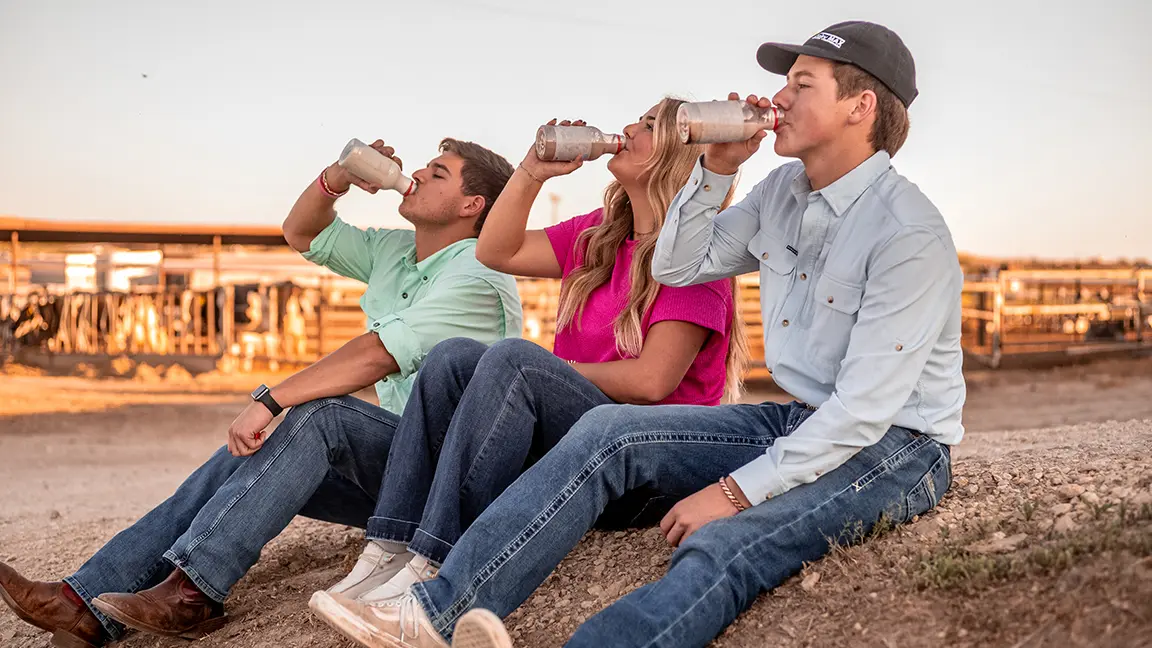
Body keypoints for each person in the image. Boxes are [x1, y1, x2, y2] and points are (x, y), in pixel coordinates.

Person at [304, 20, 965, 648]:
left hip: (895, 444)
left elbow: (865, 411)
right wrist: (719, 171)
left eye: (802, 83)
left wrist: (735, 491)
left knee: (722, 545)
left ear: (861, 107)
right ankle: (436, 610)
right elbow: (681, 263)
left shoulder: (906, 232)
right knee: (605, 431)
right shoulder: (786, 191)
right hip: (800, 418)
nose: (779, 97)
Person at [0, 138, 523, 647]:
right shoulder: (396, 251)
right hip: (391, 471)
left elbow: (378, 353)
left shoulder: (480, 272)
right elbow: (301, 232)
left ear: (471, 204)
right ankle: (82, 604)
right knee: (243, 457)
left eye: (438, 173)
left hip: (444, 479)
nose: (419, 175)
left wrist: (272, 397)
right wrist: (337, 178)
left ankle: (193, 593)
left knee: (324, 415)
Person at [308, 97, 749, 633]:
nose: (629, 126)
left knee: (515, 360)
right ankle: (391, 550)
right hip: (578, 439)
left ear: (682, 151)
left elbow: (652, 381)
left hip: (644, 465)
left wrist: (550, 375)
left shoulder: (700, 255)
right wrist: (532, 172)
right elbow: (495, 251)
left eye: (651, 124)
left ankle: (434, 565)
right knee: (451, 359)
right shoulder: (600, 236)